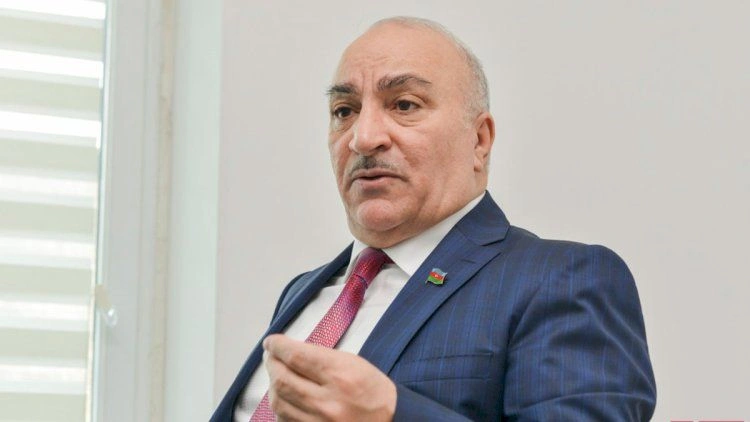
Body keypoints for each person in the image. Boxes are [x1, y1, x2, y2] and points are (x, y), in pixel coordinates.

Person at [212, 16, 656, 421]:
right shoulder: (304, 291)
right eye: (344, 111)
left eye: (404, 105)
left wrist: (390, 413)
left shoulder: (560, 279)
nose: (363, 138)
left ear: (479, 141)